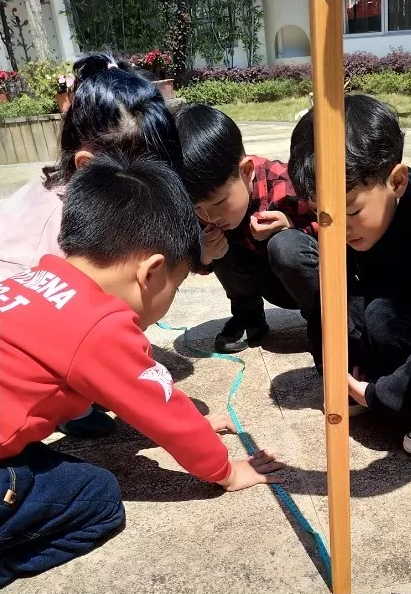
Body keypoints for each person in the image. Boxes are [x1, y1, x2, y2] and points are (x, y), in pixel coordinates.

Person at [0, 153, 285, 587]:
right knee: (97, 498)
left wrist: (194, 419)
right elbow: (159, 406)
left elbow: (141, 394)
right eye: (178, 282)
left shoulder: (24, 282)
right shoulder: (98, 325)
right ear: (152, 273)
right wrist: (225, 471)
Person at [0, 52, 182, 438]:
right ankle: (71, 410)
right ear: (86, 166)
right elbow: (72, 320)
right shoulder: (53, 233)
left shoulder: (87, 203)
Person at [288, 94, 411, 456]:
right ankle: (373, 376)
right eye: (323, 214)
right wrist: (340, 368)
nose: (339, 227)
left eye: (352, 210)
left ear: (397, 181)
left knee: (382, 315)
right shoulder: (353, 227)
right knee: (342, 296)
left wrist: (381, 395)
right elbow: (328, 302)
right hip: (406, 324)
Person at [174, 104, 321, 362]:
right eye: (198, 208)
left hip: (312, 284)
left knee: (286, 245)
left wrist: (292, 225)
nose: (210, 215)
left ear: (246, 171)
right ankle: (248, 318)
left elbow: (339, 230)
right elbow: (193, 258)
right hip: (265, 281)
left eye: (219, 203)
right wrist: (205, 255)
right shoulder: (203, 208)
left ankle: (322, 322)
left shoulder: (288, 185)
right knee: (216, 239)